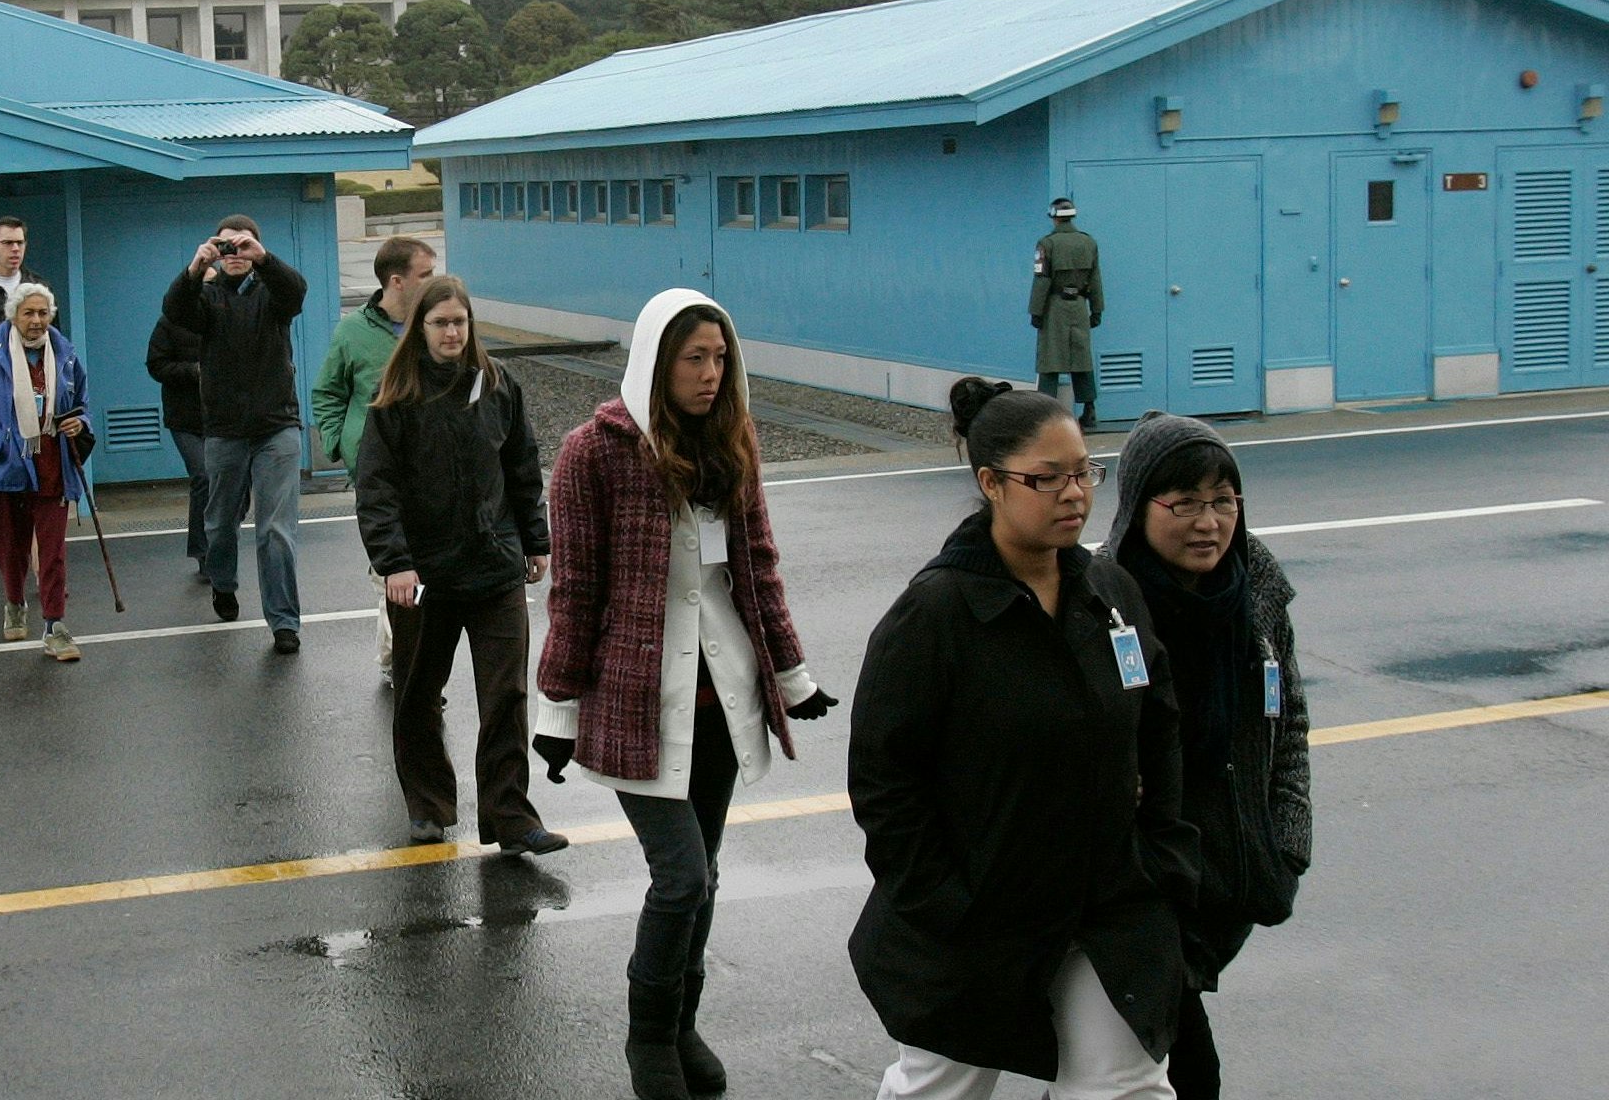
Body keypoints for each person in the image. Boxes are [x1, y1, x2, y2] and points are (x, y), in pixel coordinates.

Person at [848, 378, 1199, 1100]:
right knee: (942, 1085)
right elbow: (886, 782)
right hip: (983, 916)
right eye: (1048, 479)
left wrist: (1162, 851)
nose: (1074, 493)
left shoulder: (1109, 593)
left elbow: (1159, 723)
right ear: (992, 484)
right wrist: (945, 902)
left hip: (1107, 902)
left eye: (1084, 473)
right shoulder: (935, 616)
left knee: (1126, 1085)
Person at [533, 288, 836, 1100]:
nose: (711, 374)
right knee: (682, 878)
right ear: (655, 361)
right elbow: (575, 591)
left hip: (722, 700)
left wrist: (794, 677)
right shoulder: (590, 453)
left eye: (720, 358)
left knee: (707, 875)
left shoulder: (733, 442)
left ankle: (681, 1024)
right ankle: (647, 1042)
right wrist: (557, 712)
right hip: (636, 702)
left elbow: (758, 570)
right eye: (694, 358)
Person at [1100, 412, 1312, 1100]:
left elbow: (1291, 724)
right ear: (1139, 507)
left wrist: (1286, 843)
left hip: (1226, 876)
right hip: (1143, 890)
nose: (1207, 522)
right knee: (1181, 1075)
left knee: (1116, 1078)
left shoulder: (1255, 593)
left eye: (1223, 501)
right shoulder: (1105, 605)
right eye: (1184, 502)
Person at [352, 275, 565, 856]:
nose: (452, 332)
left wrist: (534, 540)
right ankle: (428, 805)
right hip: (424, 578)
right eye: (440, 322)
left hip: (494, 568)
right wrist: (395, 563)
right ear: (420, 328)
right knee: (418, 693)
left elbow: (523, 467)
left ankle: (510, 817)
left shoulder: (499, 386)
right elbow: (377, 489)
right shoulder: (395, 400)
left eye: (460, 322)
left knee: (506, 697)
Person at [161, 215, 308, 653]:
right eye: (226, 248)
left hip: (276, 427)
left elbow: (295, 291)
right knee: (221, 523)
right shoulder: (205, 299)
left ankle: (284, 622)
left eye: (243, 247)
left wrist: (265, 260)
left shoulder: (273, 296)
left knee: (275, 529)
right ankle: (223, 582)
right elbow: (175, 312)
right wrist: (192, 271)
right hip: (224, 431)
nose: (235, 255)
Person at [314, 235, 438, 689]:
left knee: (423, 571)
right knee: (389, 565)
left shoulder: (438, 326)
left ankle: (404, 658)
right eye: (426, 274)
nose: (434, 281)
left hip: (432, 471)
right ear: (396, 281)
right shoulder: (353, 333)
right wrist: (342, 444)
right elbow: (327, 393)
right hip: (377, 473)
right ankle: (403, 664)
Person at [0, 282, 90, 662]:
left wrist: (79, 423)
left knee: (52, 551)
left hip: (53, 464)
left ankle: (55, 625)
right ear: (13, 316)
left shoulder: (64, 354)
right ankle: (14, 601)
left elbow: (81, 403)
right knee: (10, 548)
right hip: (6, 468)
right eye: (29, 313)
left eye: (43, 313)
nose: (36, 321)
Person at [145, 306, 213, 580]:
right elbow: (156, 365)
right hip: (184, 418)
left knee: (229, 482)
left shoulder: (225, 315)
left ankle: (221, 545)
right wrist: (193, 371)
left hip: (222, 417)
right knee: (204, 476)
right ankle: (203, 552)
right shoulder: (171, 321)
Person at [1031, 197, 1104, 430]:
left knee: (1050, 359)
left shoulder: (1047, 244)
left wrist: (1036, 311)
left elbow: (1041, 280)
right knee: (1081, 358)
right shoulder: (1088, 242)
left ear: (1053, 216)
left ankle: (1044, 413)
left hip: (1055, 305)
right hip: (1079, 305)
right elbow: (1096, 279)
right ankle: (1089, 409)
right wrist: (1097, 309)